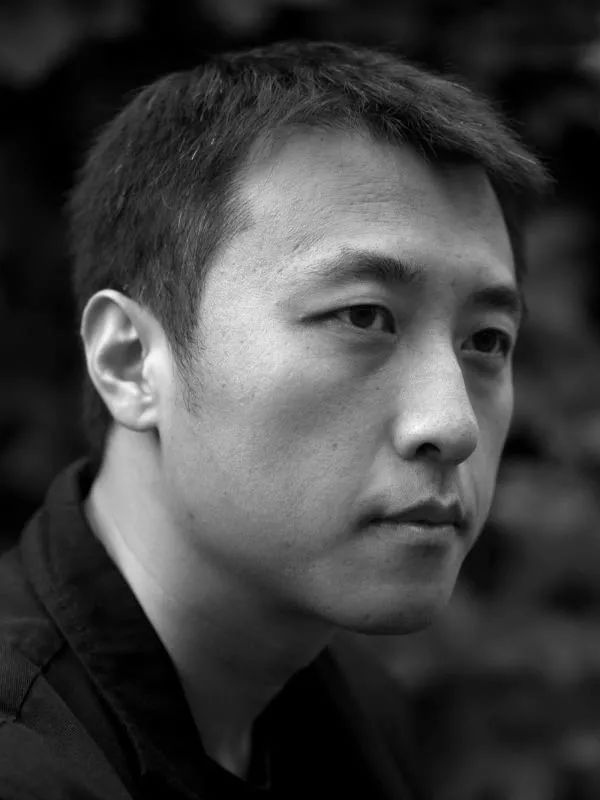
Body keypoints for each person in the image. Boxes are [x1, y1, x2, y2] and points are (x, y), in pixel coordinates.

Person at [0, 40, 548, 799]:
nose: (452, 426)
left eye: (486, 341)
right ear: (129, 361)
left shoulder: (353, 710)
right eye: (363, 316)